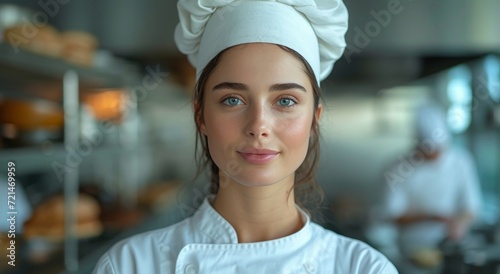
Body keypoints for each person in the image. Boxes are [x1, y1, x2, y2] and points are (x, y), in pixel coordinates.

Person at [93, 0, 398, 273]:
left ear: (314, 119)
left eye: (286, 101)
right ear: (201, 116)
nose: (258, 125)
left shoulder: (363, 268)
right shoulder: (131, 264)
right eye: (233, 100)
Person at [383, 103, 482, 271]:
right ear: (418, 146)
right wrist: (432, 217)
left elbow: (471, 207)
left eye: (439, 150)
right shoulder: (398, 169)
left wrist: (460, 223)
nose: (434, 155)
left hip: (449, 247)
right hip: (410, 251)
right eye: (428, 150)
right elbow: (393, 216)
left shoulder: (461, 162)